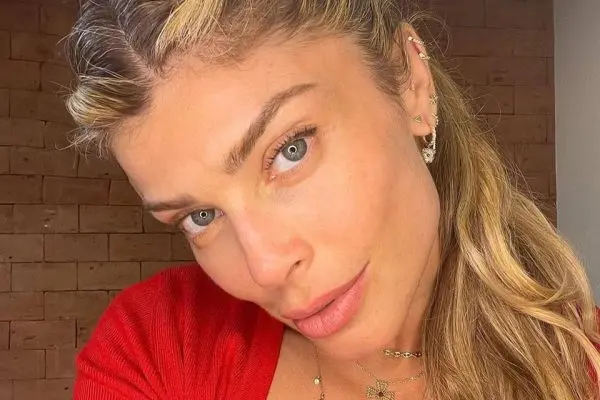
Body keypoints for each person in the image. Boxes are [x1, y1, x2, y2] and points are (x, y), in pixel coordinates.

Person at [64, 1, 600, 399]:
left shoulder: (583, 370)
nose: (265, 268)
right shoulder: (158, 347)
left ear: (411, 83)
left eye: (290, 150)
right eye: (200, 216)